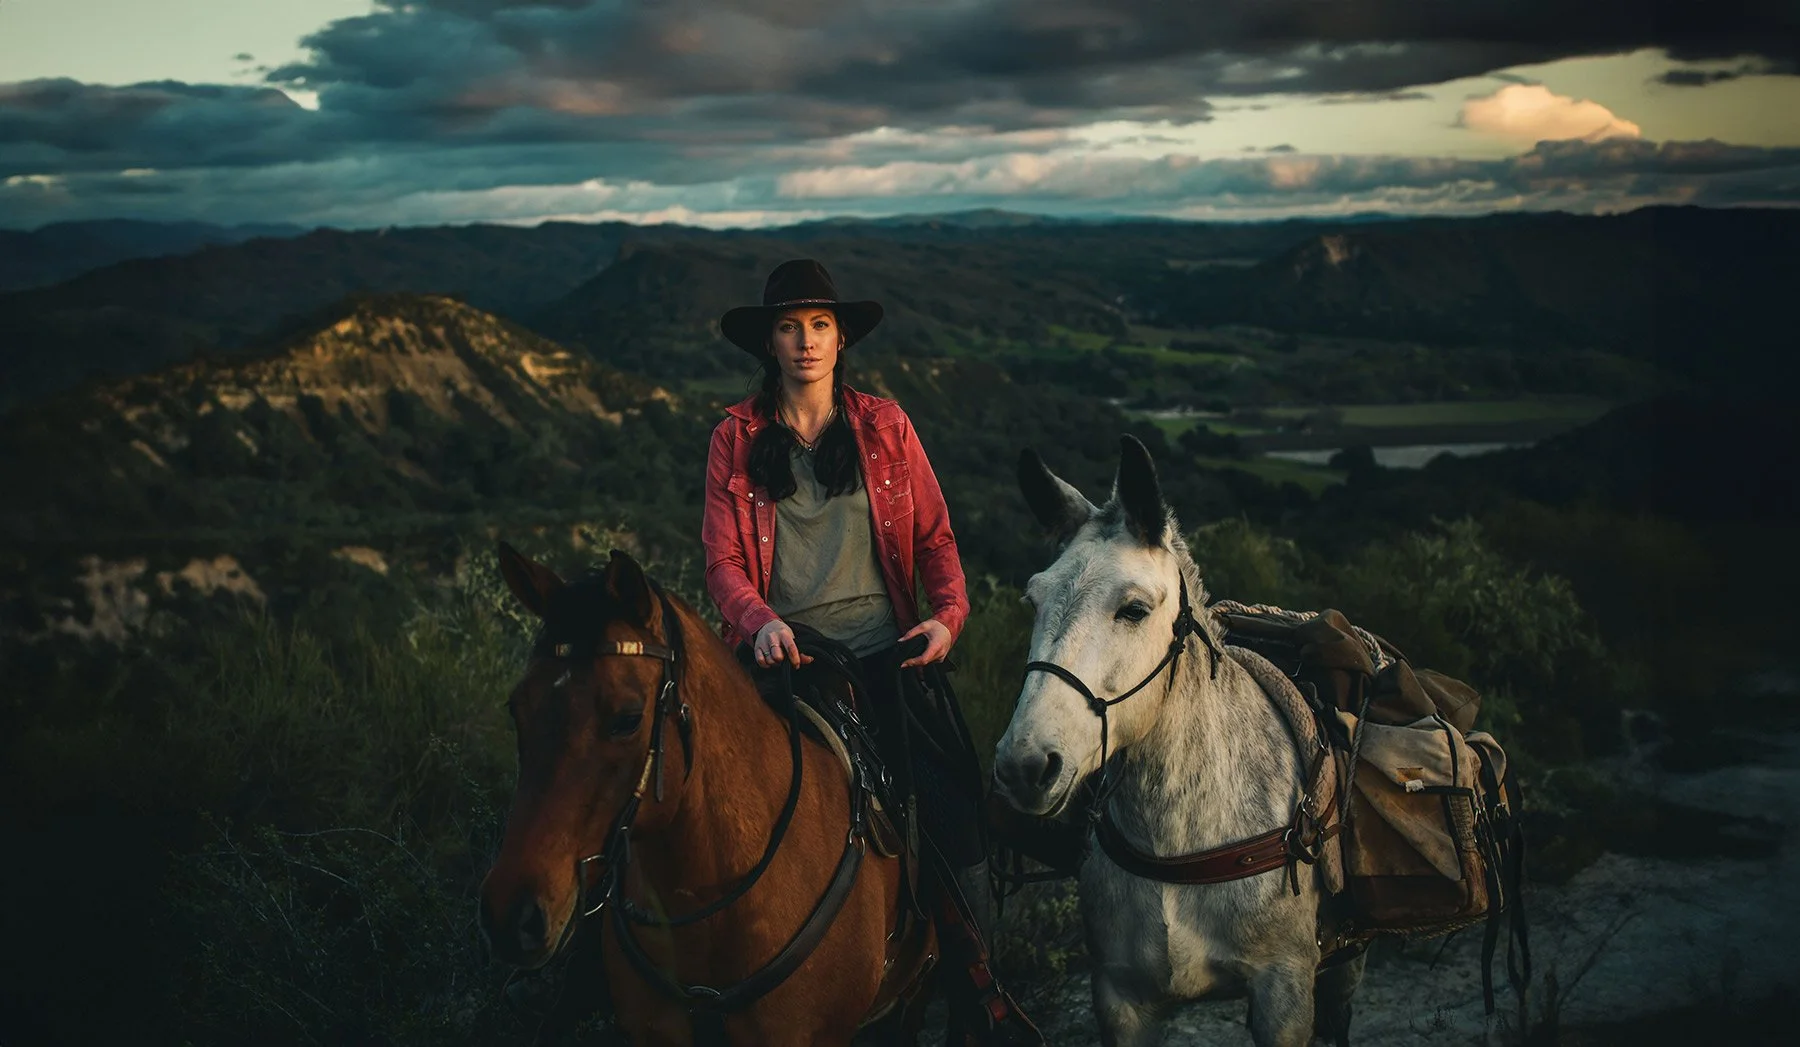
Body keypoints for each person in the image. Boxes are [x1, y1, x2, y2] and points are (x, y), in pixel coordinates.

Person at [701, 259, 1041, 1045]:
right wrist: (758, 622)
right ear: (770, 342)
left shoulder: (886, 426)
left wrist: (949, 618)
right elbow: (722, 563)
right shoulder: (734, 438)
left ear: (841, 334)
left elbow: (935, 540)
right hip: (782, 662)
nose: (805, 341)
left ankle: (976, 995)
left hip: (886, 659)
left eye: (819, 324)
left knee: (952, 804)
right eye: (789, 327)